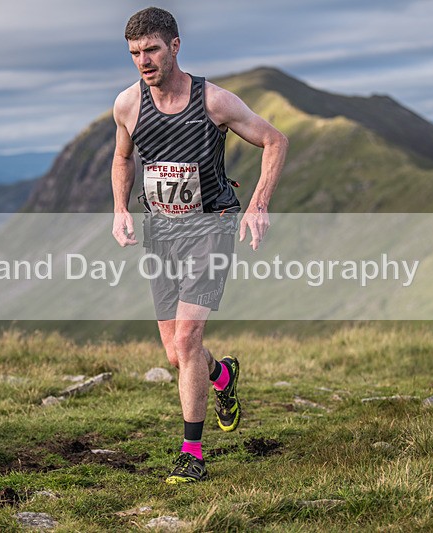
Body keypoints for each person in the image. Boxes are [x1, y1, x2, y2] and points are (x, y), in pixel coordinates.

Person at [110, 7, 288, 483]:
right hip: (160, 232)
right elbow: (123, 158)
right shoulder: (127, 104)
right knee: (176, 353)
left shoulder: (213, 101)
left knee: (188, 339)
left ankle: (192, 454)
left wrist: (259, 204)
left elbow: (275, 140)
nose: (144, 61)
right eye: (135, 53)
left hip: (212, 227)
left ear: (174, 46)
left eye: (151, 50)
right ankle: (222, 376)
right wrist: (120, 208)